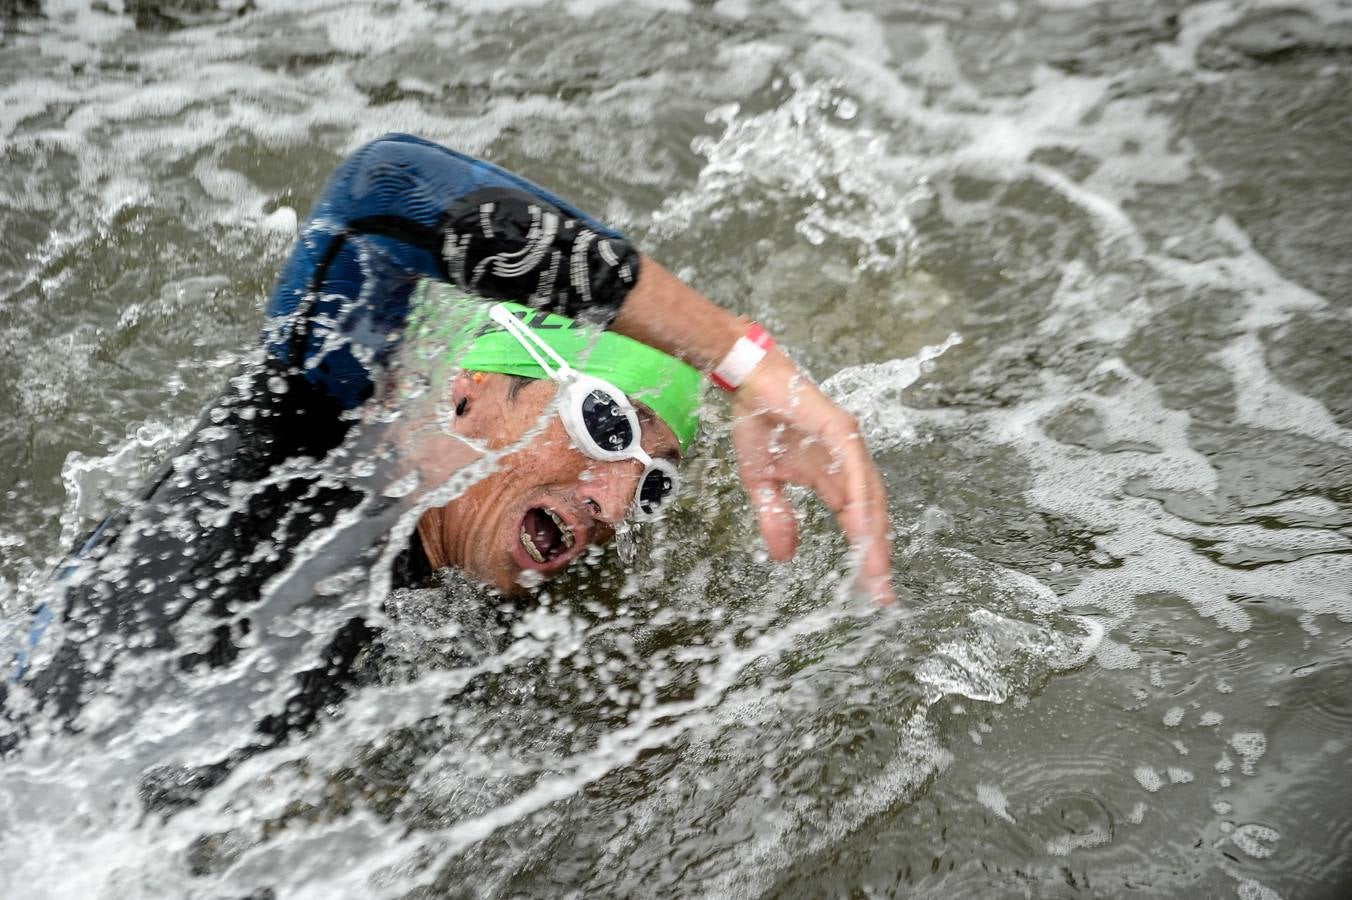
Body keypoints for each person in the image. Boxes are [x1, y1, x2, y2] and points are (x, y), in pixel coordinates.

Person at [2, 133, 893, 761]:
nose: (615, 507)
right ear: (472, 386)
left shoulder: (462, 623)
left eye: (650, 487)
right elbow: (384, 191)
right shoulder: (290, 447)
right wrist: (737, 359)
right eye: (605, 428)